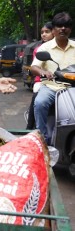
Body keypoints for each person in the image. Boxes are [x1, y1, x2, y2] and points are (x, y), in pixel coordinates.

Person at [31, 12, 75, 144]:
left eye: (66, 26)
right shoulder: (45, 47)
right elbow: (34, 68)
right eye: (59, 26)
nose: (63, 29)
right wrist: (43, 71)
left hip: (72, 88)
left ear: (70, 29)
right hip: (51, 87)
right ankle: (42, 138)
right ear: (54, 29)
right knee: (40, 103)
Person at [26, 22, 54, 130]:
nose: (44, 34)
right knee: (38, 101)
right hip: (42, 81)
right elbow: (35, 68)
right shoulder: (40, 49)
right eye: (42, 32)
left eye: (47, 32)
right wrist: (44, 74)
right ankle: (30, 127)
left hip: (62, 82)